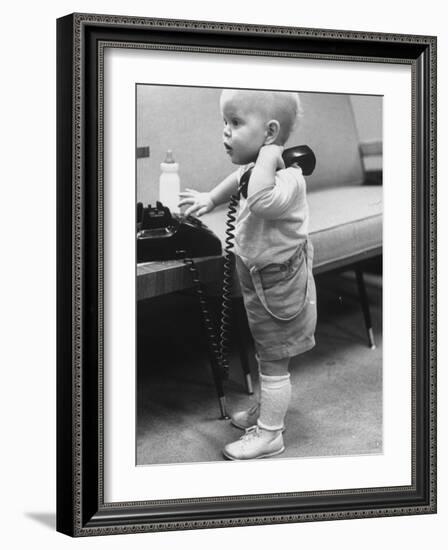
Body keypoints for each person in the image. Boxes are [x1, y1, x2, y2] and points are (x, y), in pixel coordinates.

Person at [178, 88, 317, 460]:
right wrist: (210, 197)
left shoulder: (288, 180)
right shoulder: (255, 171)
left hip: (281, 286)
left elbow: (259, 199)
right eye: (225, 121)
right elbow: (239, 179)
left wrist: (271, 158)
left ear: (270, 134)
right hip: (260, 281)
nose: (226, 131)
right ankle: (267, 410)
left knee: (273, 359)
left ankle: (271, 434)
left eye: (236, 122)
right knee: (265, 352)